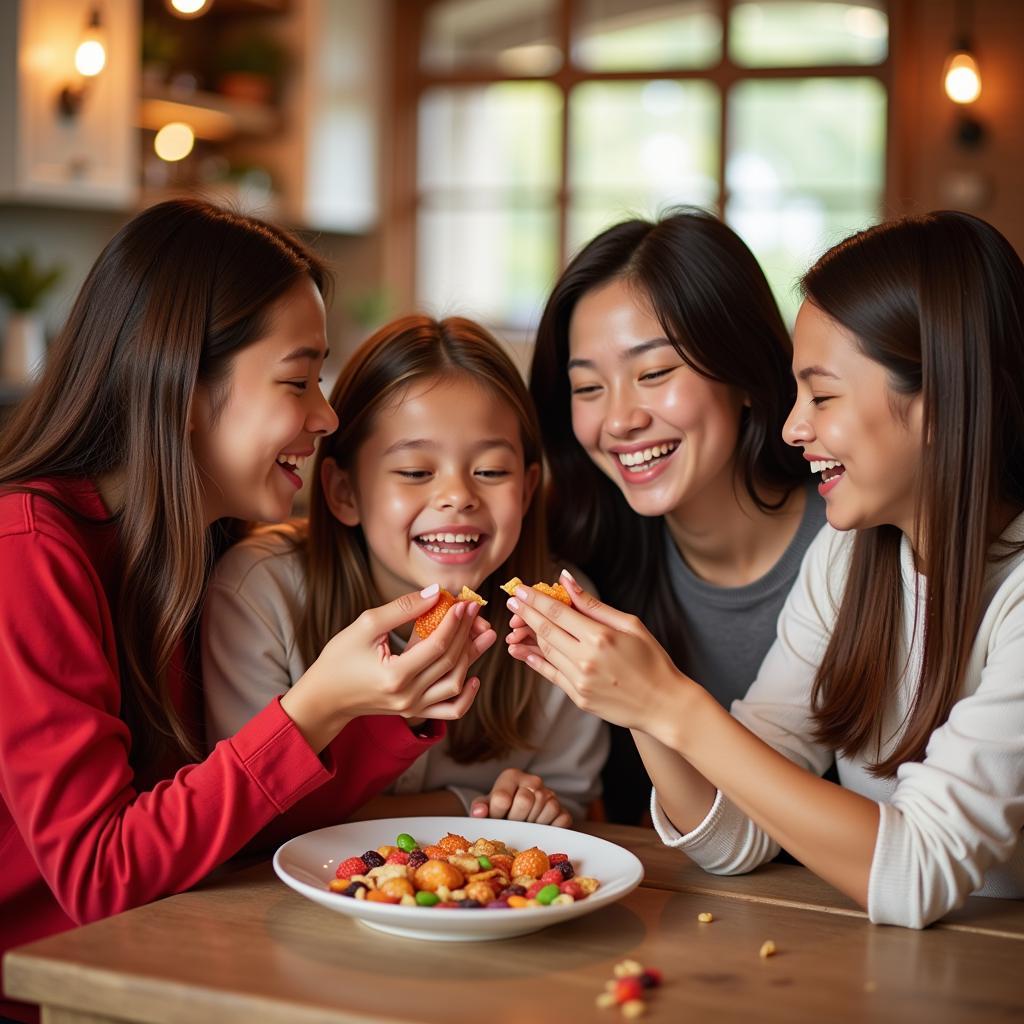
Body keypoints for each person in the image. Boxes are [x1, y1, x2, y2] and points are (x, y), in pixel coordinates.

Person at [0, 201, 485, 1023]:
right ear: (182, 383)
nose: (326, 417)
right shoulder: (29, 550)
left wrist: (375, 706)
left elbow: (230, 824)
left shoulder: (199, 546)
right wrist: (316, 705)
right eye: (299, 380)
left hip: (165, 958)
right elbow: (98, 872)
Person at [506, 210, 1024, 928]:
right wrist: (638, 704)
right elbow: (740, 832)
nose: (793, 426)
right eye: (588, 387)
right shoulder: (852, 556)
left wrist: (668, 703)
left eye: (823, 394)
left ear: (941, 395)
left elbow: (919, 872)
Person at [204, 314, 608, 826]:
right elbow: (256, 811)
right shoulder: (260, 593)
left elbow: (567, 801)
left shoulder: (562, 618)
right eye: (415, 472)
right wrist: (469, 808)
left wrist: (531, 805)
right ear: (343, 492)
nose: (459, 496)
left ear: (527, 490)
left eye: (490, 471)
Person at [522, 208, 825, 823]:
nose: (618, 420)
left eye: (654, 373)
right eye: (587, 388)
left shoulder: (856, 543)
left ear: (745, 374)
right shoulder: (582, 563)